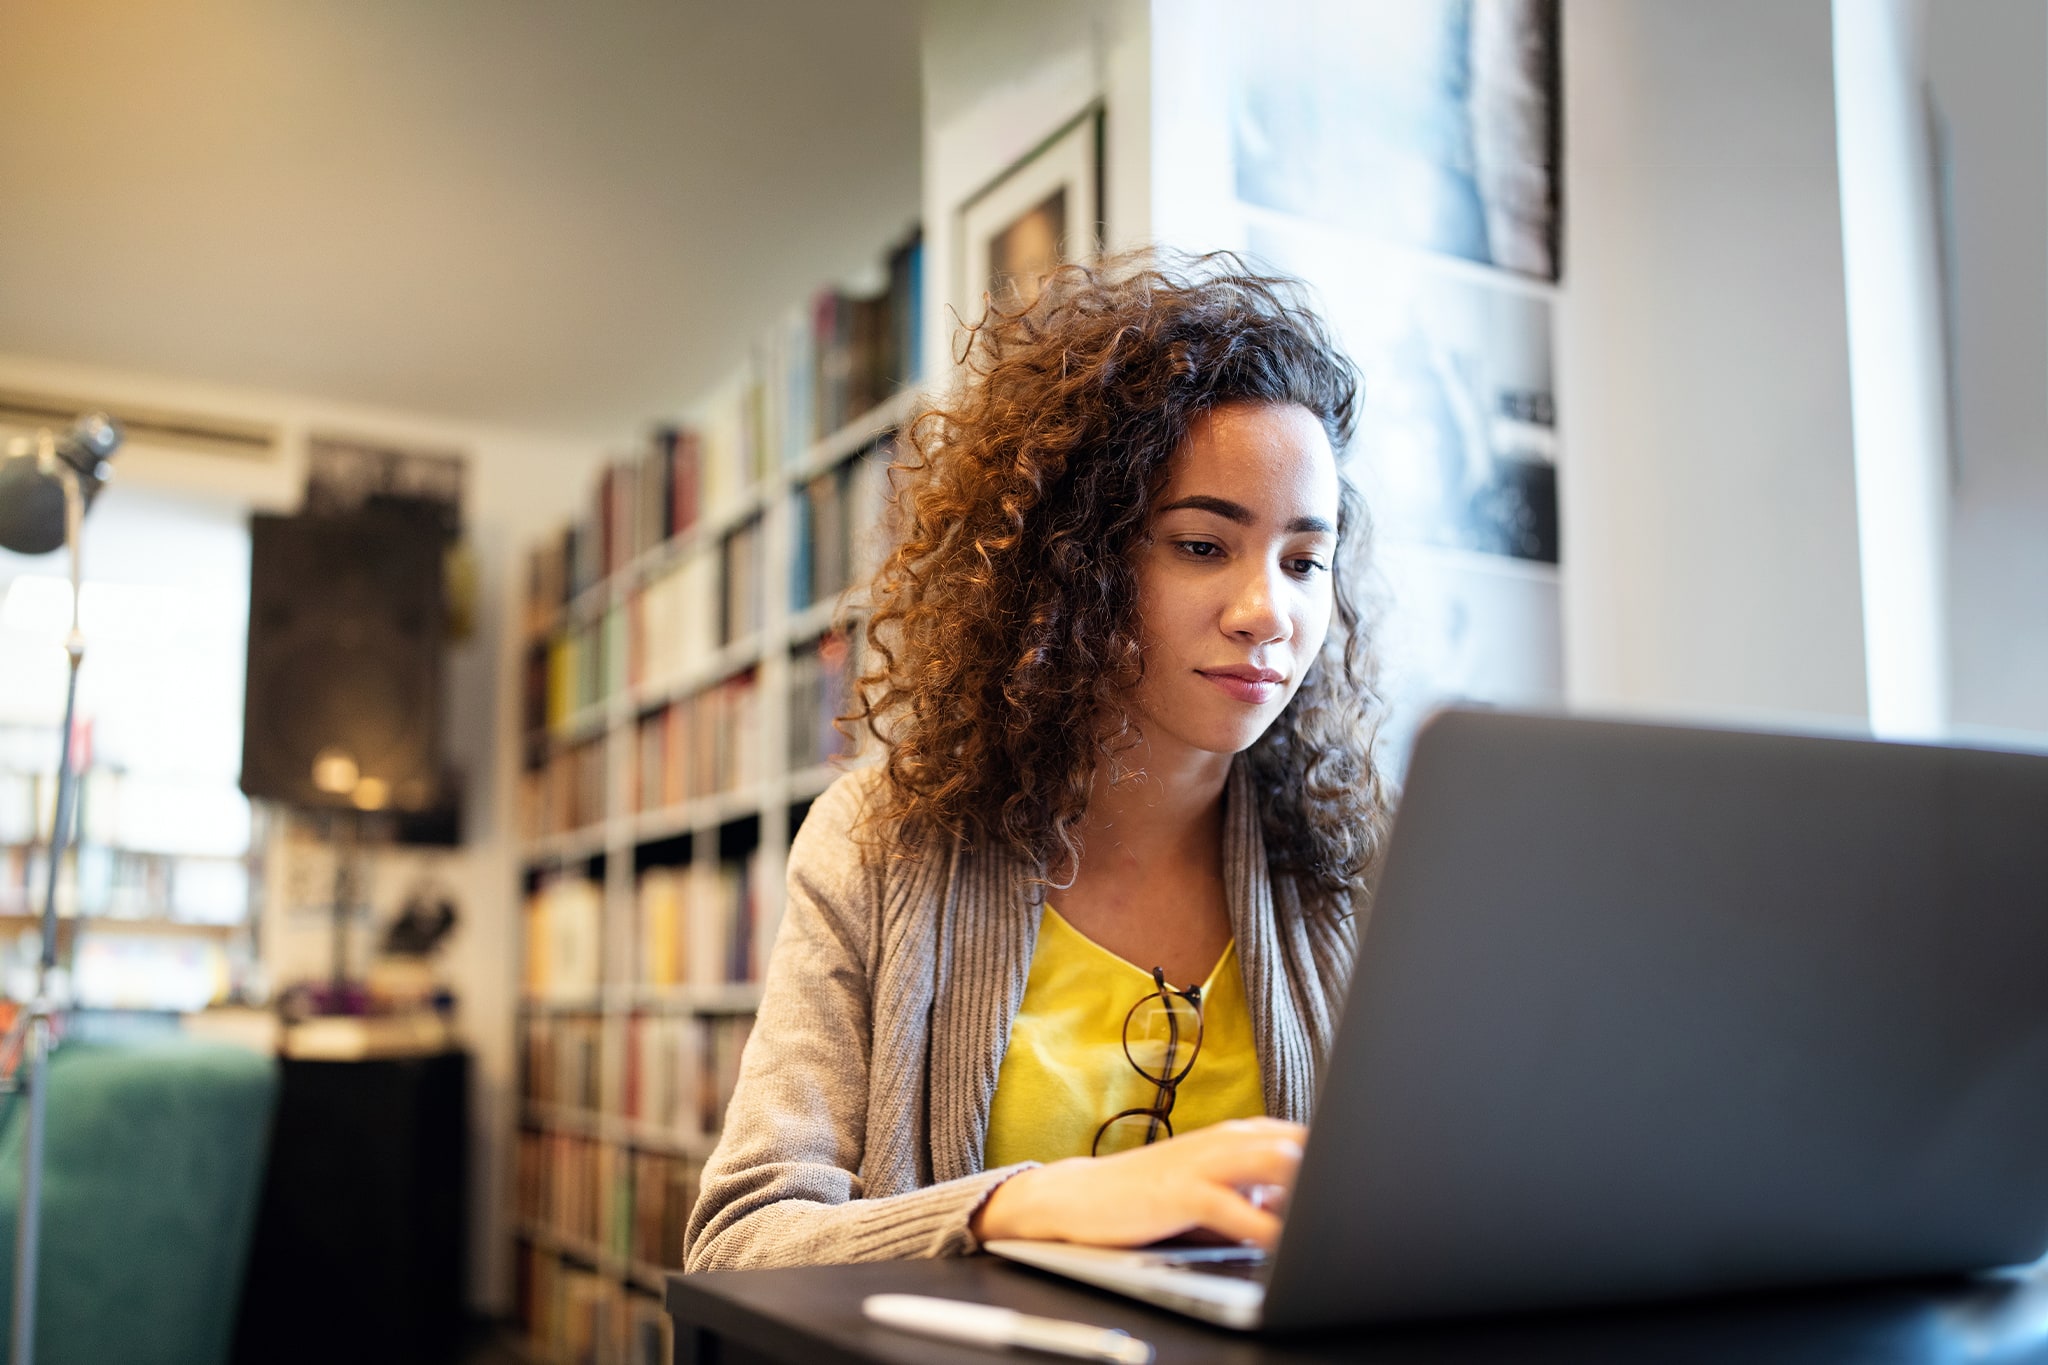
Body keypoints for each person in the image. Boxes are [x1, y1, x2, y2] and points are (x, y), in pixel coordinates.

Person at [683, 250, 1392, 1272]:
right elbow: (739, 1240)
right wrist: (1030, 1206)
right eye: (1201, 546)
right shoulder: (878, 841)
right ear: (1075, 560)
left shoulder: (1363, 862)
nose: (1266, 615)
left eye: (1302, 562)